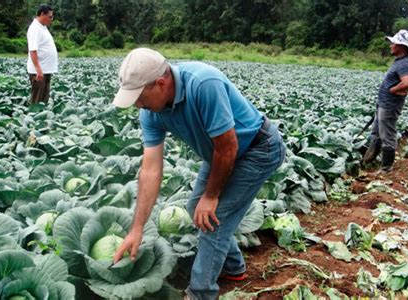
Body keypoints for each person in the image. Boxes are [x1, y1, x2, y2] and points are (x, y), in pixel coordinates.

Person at [112, 48, 286, 300]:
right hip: (218, 152)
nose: (138, 104)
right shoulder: (150, 112)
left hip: (258, 148)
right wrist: (137, 228)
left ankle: (200, 293)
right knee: (196, 207)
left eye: (139, 97)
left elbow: (228, 147)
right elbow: (150, 169)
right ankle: (234, 267)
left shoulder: (204, 84)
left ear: (160, 84)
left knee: (214, 219)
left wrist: (212, 196)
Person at [363, 29, 408, 173]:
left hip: (390, 105)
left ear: (401, 46)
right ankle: (368, 161)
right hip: (384, 103)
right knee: (376, 132)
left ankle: (386, 168)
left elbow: (407, 83)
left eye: (393, 43)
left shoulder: (404, 63)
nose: (390, 45)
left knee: (387, 134)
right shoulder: (400, 61)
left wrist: (392, 90)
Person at [26, 4, 58, 104]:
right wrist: (38, 70)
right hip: (39, 71)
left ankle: (42, 119)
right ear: (42, 14)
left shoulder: (42, 27)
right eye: (50, 16)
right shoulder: (35, 28)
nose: (51, 19)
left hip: (46, 70)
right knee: (37, 100)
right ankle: (33, 117)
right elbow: (33, 51)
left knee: (44, 100)